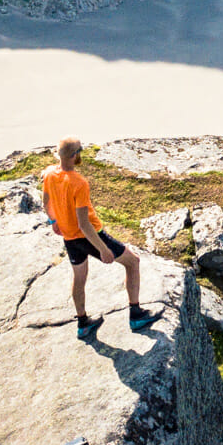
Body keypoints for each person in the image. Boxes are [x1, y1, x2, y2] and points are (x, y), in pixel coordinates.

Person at [42, 138, 151, 341]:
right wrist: (102, 249)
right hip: (90, 236)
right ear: (75, 155)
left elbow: (46, 201)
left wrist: (53, 221)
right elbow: (84, 224)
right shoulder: (79, 183)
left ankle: (83, 324)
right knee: (133, 262)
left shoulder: (48, 174)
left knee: (79, 278)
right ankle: (136, 315)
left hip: (69, 238)